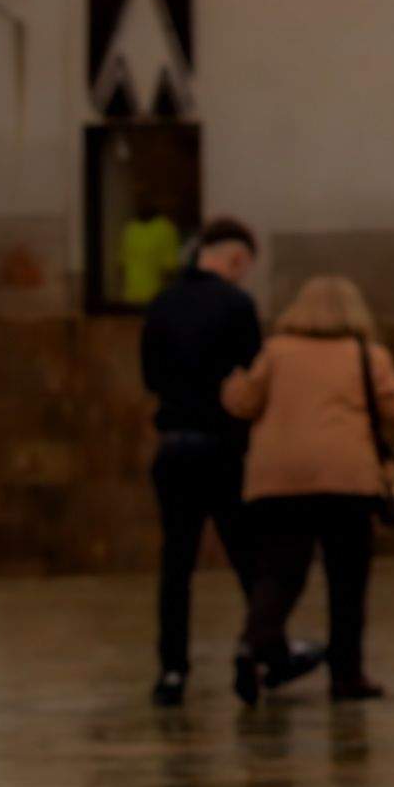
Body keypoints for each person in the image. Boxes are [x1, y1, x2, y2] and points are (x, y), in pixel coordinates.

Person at [222, 276, 394, 704]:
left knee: (279, 572)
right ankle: (347, 676)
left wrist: (233, 380)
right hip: (347, 480)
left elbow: (243, 403)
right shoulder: (367, 355)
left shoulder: (277, 352)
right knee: (347, 580)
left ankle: (252, 645)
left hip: (280, 480)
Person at [138, 213, 269, 705]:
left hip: (173, 447)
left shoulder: (162, 304)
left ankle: (172, 670)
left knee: (176, 566)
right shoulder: (237, 305)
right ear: (235, 259)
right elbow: (252, 382)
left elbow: (150, 377)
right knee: (246, 557)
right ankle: (259, 649)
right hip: (222, 447)